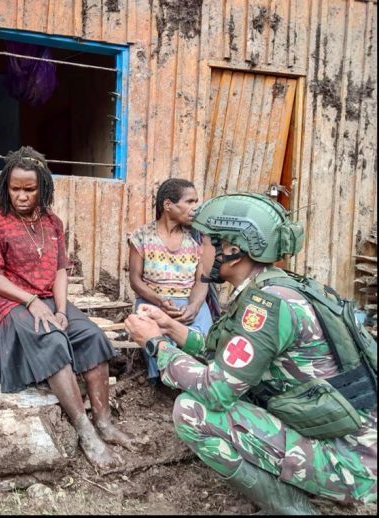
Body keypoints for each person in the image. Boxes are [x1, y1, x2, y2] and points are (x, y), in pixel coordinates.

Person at [125, 192, 377, 514]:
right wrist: (170, 329)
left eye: (203, 242)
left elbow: (216, 391)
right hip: (352, 442)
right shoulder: (275, 288)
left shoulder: (267, 307)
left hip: (354, 465)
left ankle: (296, 510)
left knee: (191, 411)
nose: (197, 251)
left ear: (232, 251)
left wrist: (155, 345)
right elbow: (225, 354)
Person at [0, 146, 136, 470]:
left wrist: (61, 309)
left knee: (89, 335)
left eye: (29, 189)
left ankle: (103, 420)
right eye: (15, 188)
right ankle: (85, 429)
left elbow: (60, 270)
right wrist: (31, 301)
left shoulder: (52, 223)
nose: (21, 196)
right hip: (4, 299)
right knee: (50, 337)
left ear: (43, 188)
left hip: (46, 297)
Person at [127, 178, 217, 379]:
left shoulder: (197, 239)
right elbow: (135, 281)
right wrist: (160, 302)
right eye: (190, 202)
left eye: (197, 202)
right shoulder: (142, 236)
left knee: (205, 344)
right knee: (155, 337)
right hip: (154, 302)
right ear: (168, 205)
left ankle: (202, 380)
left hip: (189, 303)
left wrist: (193, 307)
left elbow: (202, 280)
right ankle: (163, 384)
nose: (196, 208)